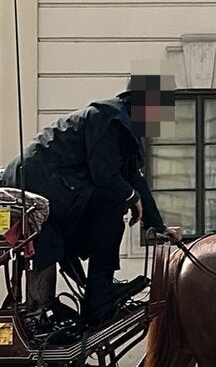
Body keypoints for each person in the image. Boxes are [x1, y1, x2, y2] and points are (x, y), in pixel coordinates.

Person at [1, 74, 177, 325]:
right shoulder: (107, 119)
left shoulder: (124, 129)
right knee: (111, 202)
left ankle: (98, 291)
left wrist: (159, 226)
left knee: (113, 200)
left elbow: (134, 179)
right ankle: (99, 292)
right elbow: (104, 175)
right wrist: (130, 197)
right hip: (38, 181)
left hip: (57, 184)